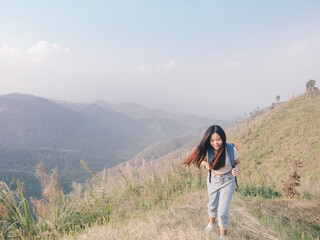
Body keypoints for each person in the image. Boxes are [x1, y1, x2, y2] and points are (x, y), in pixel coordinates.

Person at [183, 125, 241, 240]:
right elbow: (203, 161)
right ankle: (212, 224)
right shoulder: (208, 150)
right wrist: (206, 165)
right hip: (213, 180)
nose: (216, 143)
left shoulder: (231, 149)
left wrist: (236, 170)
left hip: (228, 181)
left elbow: (238, 162)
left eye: (218, 139)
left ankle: (223, 236)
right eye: (212, 140)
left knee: (222, 211)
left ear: (223, 138)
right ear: (209, 141)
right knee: (212, 205)